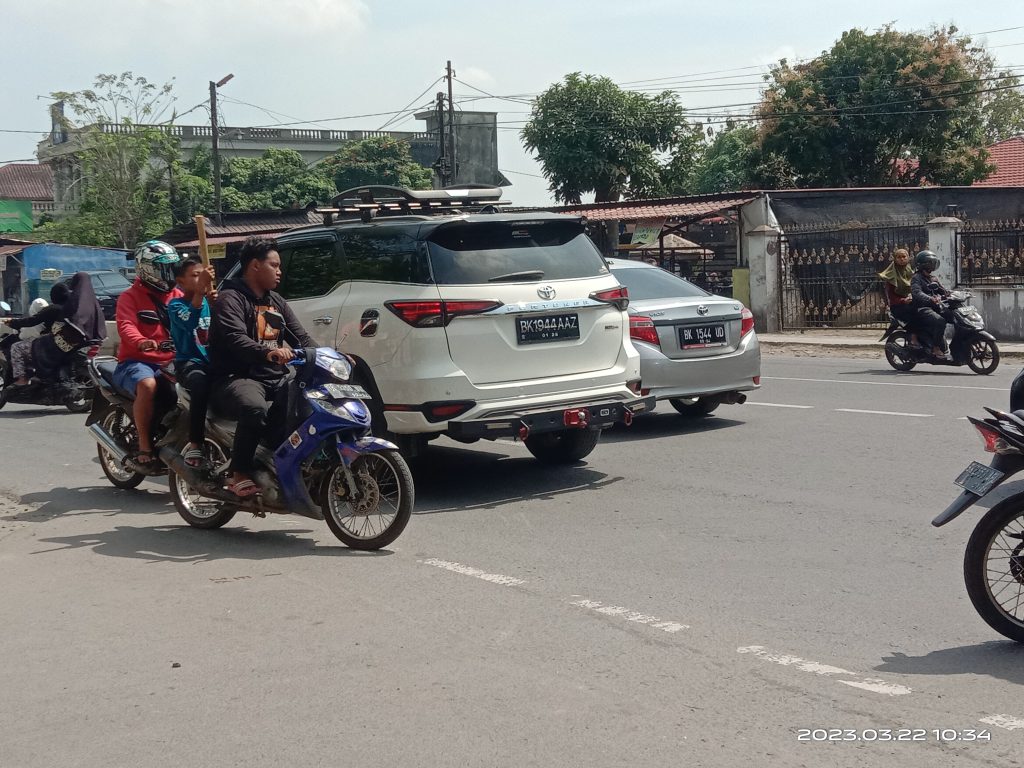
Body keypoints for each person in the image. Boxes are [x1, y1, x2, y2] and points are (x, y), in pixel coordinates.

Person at [208, 236, 313, 498]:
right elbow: (236, 339)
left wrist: (329, 355)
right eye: (274, 265)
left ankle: (279, 459)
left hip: (273, 378)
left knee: (309, 403)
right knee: (254, 408)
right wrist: (269, 353)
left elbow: (302, 337)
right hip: (234, 378)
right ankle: (239, 472)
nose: (280, 271)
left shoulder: (275, 301)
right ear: (255, 265)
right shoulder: (229, 299)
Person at [114, 241, 183, 467]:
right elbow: (125, 325)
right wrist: (141, 341)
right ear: (148, 269)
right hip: (137, 362)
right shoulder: (129, 297)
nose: (170, 273)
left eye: (173, 267)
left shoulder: (178, 295)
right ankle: (144, 444)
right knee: (148, 385)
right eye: (165, 268)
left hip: (173, 360)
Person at [3, 276, 105, 386]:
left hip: (61, 344)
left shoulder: (57, 308)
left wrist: (12, 322)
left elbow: (32, 321)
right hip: (87, 343)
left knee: (17, 347)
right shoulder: (88, 308)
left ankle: (22, 379)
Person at [168, 257, 216, 468]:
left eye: (202, 275)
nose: (200, 279)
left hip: (214, 360)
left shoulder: (209, 302)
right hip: (190, 363)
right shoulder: (175, 305)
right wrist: (200, 292)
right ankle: (195, 442)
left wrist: (218, 305)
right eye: (195, 276)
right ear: (180, 281)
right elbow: (190, 322)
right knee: (200, 385)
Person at [910, 250, 951, 357]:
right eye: (930, 263)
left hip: (935, 306)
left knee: (953, 315)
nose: (932, 265)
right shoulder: (916, 278)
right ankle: (935, 347)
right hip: (922, 308)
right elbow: (917, 292)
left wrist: (953, 294)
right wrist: (930, 299)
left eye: (933, 262)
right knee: (940, 321)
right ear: (923, 264)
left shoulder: (933, 278)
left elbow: (943, 290)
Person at [879, 248, 917, 340]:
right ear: (895, 259)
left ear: (908, 258)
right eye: (899, 257)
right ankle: (914, 339)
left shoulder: (910, 272)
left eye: (904, 256)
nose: (902, 259)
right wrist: (904, 300)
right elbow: (891, 296)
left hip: (911, 303)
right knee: (916, 317)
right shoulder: (891, 275)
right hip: (898, 306)